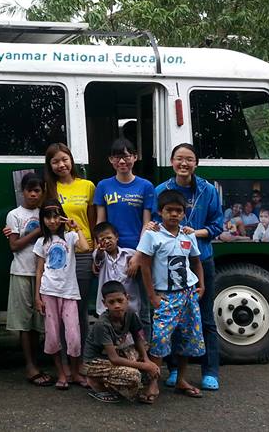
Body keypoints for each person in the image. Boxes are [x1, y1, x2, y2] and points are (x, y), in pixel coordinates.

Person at [147, 143, 224, 391]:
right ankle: (173, 371)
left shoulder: (208, 190)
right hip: (167, 266)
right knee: (170, 323)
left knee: (204, 318)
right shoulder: (161, 190)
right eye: (179, 159)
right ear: (171, 162)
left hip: (201, 257)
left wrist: (194, 233)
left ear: (196, 163)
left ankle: (210, 371)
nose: (184, 164)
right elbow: (153, 223)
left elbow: (217, 224)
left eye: (189, 159)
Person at [137, 189, 206, 400]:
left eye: (178, 211)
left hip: (188, 295)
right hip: (165, 296)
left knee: (187, 338)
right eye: (169, 210)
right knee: (159, 339)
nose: (174, 214)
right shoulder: (152, 235)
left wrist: (201, 285)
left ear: (184, 213)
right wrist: (152, 296)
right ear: (160, 212)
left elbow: (196, 262)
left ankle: (181, 380)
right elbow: (145, 266)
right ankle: (153, 383)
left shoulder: (188, 235)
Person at [33, 200, 90, 390]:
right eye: (48, 217)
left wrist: (77, 226)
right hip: (48, 291)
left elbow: (85, 247)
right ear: (43, 220)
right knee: (53, 335)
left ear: (62, 217)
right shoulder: (42, 242)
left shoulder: (70, 237)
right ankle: (61, 373)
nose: (52, 221)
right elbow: (39, 270)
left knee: (73, 335)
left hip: (69, 292)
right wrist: (37, 297)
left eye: (56, 216)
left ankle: (75, 372)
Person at [43, 143, 96, 345]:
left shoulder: (87, 186)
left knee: (79, 307)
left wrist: (94, 248)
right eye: (55, 161)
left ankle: (81, 357)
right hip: (58, 253)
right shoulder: (49, 188)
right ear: (50, 165)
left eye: (64, 159)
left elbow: (91, 220)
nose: (61, 165)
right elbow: (42, 218)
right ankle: (65, 358)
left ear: (71, 160)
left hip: (83, 250)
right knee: (61, 307)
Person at [3, 172, 51, 386]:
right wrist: (39, 231)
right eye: (29, 190)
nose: (33, 194)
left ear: (42, 192)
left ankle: (37, 363)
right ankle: (30, 366)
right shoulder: (15, 215)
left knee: (37, 323)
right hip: (22, 272)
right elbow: (14, 245)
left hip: (43, 274)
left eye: (37, 190)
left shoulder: (46, 213)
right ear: (22, 191)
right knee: (24, 322)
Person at [81, 280, 159, 404]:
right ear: (104, 303)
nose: (117, 305)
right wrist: (145, 366)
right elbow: (114, 359)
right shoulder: (102, 324)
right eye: (111, 302)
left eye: (120, 300)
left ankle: (153, 385)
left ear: (127, 298)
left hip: (115, 354)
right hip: (95, 362)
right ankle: (96, 383)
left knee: (146, 348)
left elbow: (138, 338)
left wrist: (147, 360)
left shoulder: (131, 315)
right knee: (133, 376)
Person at [93, 138, 155, 251]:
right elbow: (100, 222)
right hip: (111, 249)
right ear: (110, 159)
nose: (121, 161)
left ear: (135, 157)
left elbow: (147, 223)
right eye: (117, 157)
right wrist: (97, 250)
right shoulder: (103, 186)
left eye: (126, 156)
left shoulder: (146, 186)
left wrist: (140, 251)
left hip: (137, 247)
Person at [91, 222, 145, 337]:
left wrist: (136, 262)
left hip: (131, 305)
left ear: (117, 237)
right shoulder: (100, 254)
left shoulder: (130, 254)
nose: (106, 241)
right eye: (102, 239)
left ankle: (139, 353)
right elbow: (98, 259)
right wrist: (100, 251)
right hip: (107, 307)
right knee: (110, 333)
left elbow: (143, 260)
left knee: (134, 334)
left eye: (109, 237)